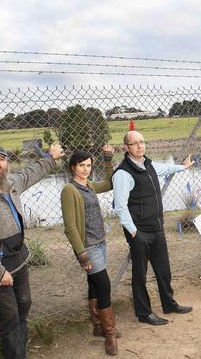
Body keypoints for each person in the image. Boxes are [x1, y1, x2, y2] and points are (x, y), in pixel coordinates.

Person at [0, 143, 63, 359]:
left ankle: (19, 352)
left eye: (2, 159)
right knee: (10, 318)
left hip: (19, 259)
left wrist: (50, 158)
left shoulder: (9, 184)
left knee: (24, 305)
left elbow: (30, 173)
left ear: (7, 163)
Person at [112, 130, 194, 325]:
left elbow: (165, 169)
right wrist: (134, 233)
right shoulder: (123, 173)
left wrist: (183, 167)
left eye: (142, 142)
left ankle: (169, 303)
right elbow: (120, 207)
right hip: (139, 231)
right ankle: (144, 313)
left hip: (157, 228)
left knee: (164, 269)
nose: (140, 146)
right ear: (126, 147)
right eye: (134, 143)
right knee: (140, 275)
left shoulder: (148, 164)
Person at [60, 146, 119, 355]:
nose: (85, 169)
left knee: (94, 284)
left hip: (100, 243)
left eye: (88, 166)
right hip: (88, 247)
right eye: (81, 165)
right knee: (104, 286)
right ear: (72, 167)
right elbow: (70, 226)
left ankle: (97, 326)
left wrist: (107, 161)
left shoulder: (90, 186)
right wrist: (81, 253)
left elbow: (110, 183)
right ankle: (110, 334)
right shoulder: (69, 190)